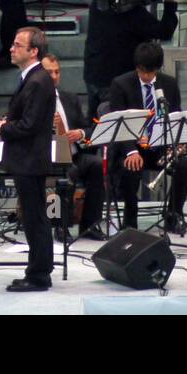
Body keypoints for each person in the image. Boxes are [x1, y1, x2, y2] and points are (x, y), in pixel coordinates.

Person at [0, 26, 56, 291]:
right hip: (26, 159)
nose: (11, 48)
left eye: (17, 44)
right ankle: (38, 271)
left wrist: (1, 129)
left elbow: (29, 126)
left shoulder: (38, 81)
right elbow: (28, 119)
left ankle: (38, 275)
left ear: (33, 50)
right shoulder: (31, 78)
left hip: (30, 160)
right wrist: (6, 121)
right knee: (32, 216)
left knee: (35, 218)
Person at [106, 42, 187, 234]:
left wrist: (175, 144)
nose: (147, 76)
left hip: (159, 146)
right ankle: (130, 220)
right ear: (137, 67)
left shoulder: (168, 84)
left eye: (151, 72)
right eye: (143, 71)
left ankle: (173, 215)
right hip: (132, 146)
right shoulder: (121, 84)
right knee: (130, 166)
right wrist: (132, 150)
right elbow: (119, 124)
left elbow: (175, 117)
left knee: (184, 166)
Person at [81, 0, 178, 115]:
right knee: (116, 127)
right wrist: (170, 2)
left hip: (93, 74)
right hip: (116, 80)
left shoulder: (99, 0)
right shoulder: (131, 12)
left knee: (94, 126)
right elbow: (164, 31)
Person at [43, 53, 107, 241]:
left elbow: (86, 127)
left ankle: (90, 225)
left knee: (96, 165)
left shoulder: (70, 98)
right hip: (50, 158)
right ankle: (60, 226)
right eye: (49, 73)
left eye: (57, 72)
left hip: (74, 154)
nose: (54, 76)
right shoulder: (33, 100)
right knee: (66, 173)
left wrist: (80, 134)